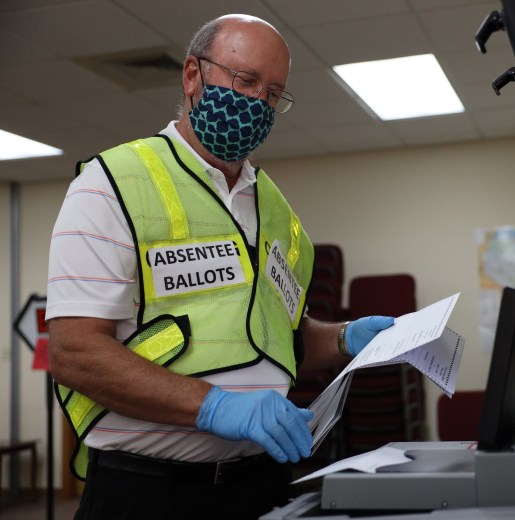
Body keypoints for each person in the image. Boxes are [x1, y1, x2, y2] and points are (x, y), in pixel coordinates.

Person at [46, 14, 394, 520]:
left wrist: (343, 337)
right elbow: (74, 353)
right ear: (192, 75)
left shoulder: (273, 208)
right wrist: (215, 406)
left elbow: (277, 334)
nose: (257, 103)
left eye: (273, 93)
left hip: (261, 484)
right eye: (245, 80)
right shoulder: (112, 183)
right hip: (148, 492)